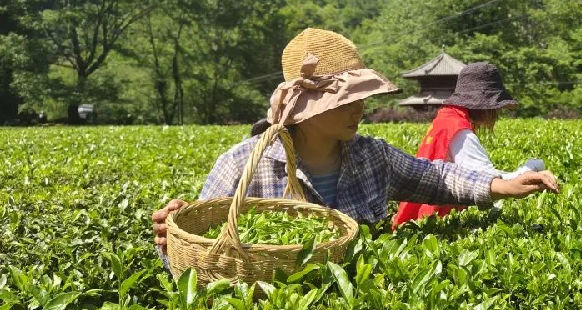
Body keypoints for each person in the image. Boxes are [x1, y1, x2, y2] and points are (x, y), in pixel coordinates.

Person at [152, 29, 558, 262]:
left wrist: (502, 184)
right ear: (305, 108)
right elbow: (196, 257)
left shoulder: (372, 157)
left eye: (361, 96)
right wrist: (172, 238)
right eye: (346, 100)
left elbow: (436, 177)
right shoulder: (242, 165)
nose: (360, 108)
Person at [392, 62, 544, 228]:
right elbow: (489, 181)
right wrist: (530, 169)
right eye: (495, 108)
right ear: (484, 106)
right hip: (435, 219)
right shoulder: (461, 132)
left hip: (420, 214)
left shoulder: (445, 119)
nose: (496, 115)